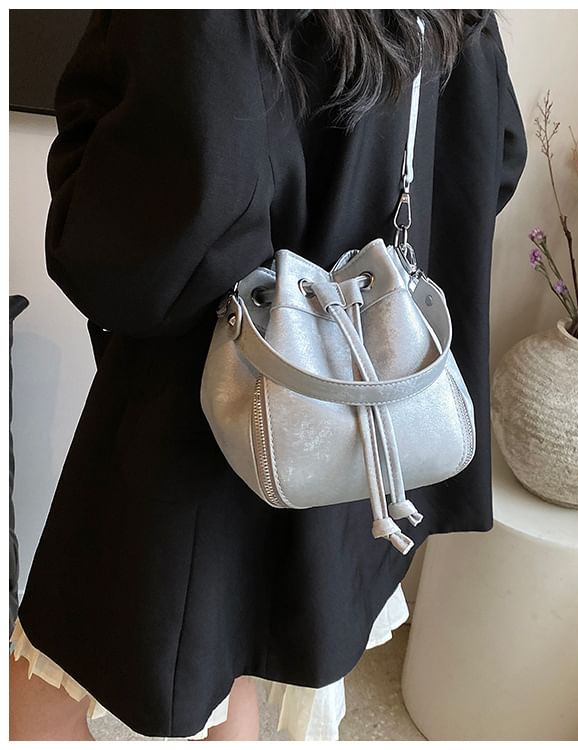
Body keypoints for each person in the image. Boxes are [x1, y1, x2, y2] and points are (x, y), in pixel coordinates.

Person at [9, 9, 527, 741]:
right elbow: (496, 155)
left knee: (53, 672)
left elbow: (163, 228)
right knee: (242, 653)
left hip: (201, 406)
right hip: (354, 419)